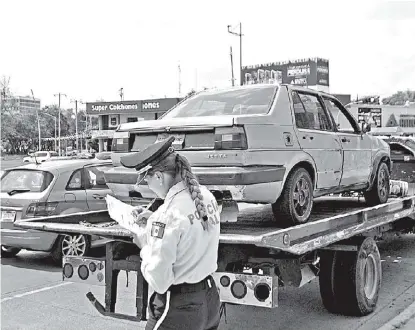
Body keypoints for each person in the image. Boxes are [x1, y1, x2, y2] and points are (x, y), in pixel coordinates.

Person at [120, 136, 221, 330]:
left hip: (179, 307)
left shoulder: (166, 216)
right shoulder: (206, 197)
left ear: (158, 176)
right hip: (209, 300)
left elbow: (159, 281)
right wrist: (154, 218)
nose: (147, 188)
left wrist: (144, 245)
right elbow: (191, 228)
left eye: (146, 181)